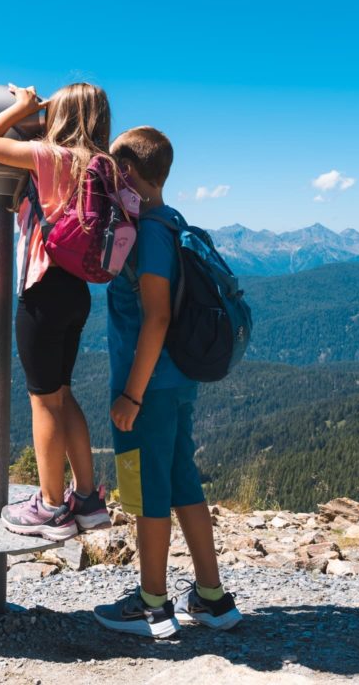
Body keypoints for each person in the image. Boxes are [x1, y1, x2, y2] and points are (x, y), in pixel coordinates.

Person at [93, 126, 242, 637]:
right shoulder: (174, 222)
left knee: (144, 491)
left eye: (114, 172)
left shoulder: (150, 233)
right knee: (183, 483)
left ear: (129, 173)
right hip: (177, 382)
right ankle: (212, 598)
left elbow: (155, 316)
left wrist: (130, 394)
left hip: (147, 390)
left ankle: (153, 605)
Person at [0, 82, 113, 540]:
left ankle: (51, 507)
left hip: (43, 288)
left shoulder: (50, 156)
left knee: (43, 401)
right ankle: (87, 500)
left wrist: (19, 109)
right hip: (77, 292)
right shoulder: (101, 164)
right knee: (64, 393)